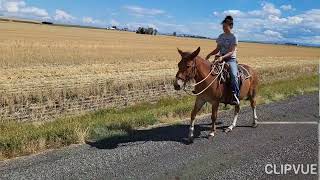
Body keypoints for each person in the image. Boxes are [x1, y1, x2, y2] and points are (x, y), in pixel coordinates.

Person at [205, 15, 240, 105]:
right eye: (223, 27)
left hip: (230, 59)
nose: (223, 28)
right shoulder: (221, 36)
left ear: (231, 26)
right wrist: (210, 54)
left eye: (225, 26)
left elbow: (231, 52)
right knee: (208, 71)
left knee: (234, 75)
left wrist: (222, 57)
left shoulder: (234, 37)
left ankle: (235, 95)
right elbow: (217, 49)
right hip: (220, 58)